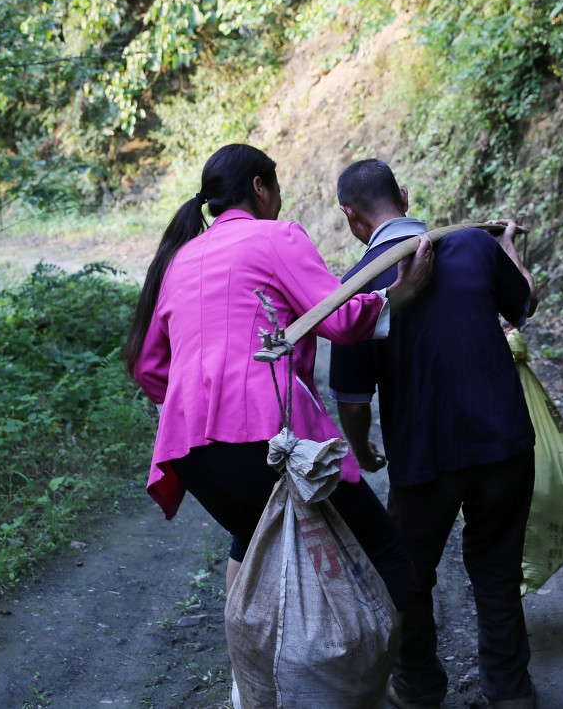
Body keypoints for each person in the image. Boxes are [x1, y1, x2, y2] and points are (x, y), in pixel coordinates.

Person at [123, 143, 434, 609]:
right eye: (278, 190)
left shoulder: (180, 259)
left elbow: (149, 367)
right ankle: (387, 678)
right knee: (385, 550)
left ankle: (252, 678)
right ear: (259, 188)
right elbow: (339, 318)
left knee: (252, 536)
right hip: (267, 438)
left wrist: (203, 401)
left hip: (187, 448)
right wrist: (398, 294)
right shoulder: (275, 236)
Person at [327, 159, 539, 709]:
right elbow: (524, 303)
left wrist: (362, 449)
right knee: (496, 568)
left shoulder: (356, 289)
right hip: (504, 443)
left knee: (408, 575)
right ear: (403, 193)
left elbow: (352, 400)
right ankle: (511, 692)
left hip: (425, 459)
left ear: (351, 219)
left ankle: (418, 687)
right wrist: (511, 249)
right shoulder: (473, 245)